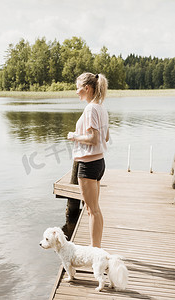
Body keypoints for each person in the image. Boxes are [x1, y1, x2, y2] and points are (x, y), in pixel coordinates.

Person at [67, 72, 109, 248]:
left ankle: (95, 252)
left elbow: (93, 139)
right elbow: (105, 137)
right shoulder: (101, 107)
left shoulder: (91, 109)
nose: (76, 91)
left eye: (78, 88)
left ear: (87, 88)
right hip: (99, 163)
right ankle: (97, 249)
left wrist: (74, 136)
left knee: (92, 211)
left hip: (88, 164)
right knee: (95, 210)